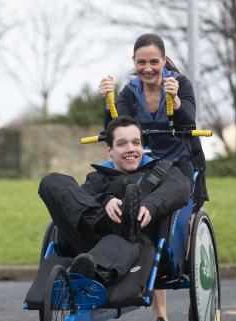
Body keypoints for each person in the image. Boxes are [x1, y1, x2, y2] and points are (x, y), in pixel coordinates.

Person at [98, 33, 208, 321]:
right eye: (141, 62)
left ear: (163, 60)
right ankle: (161, 315)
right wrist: (107, 101)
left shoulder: (179, 83)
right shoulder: (130, 91)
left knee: (180, 220)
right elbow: (117, 127)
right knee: (150, 221)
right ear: (133, 62)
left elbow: (189, 123)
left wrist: (175, 100)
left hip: (180, 163)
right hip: (147, 165)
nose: (148, 68)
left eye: (154, 62)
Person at [38, 116, 189, 285]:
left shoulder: (162, 171)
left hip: (137, 244)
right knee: (51, 181)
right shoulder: (97, 178)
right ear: (109, 150)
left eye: (136, 142)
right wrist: (105, 201)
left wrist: (148, 207)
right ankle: (112, 223)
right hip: (90, 238)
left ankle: (92, 267)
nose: (131, 148)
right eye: (122, 143)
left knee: (124, 240)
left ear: (142, 146)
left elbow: (179, 188)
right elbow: (80, 201)